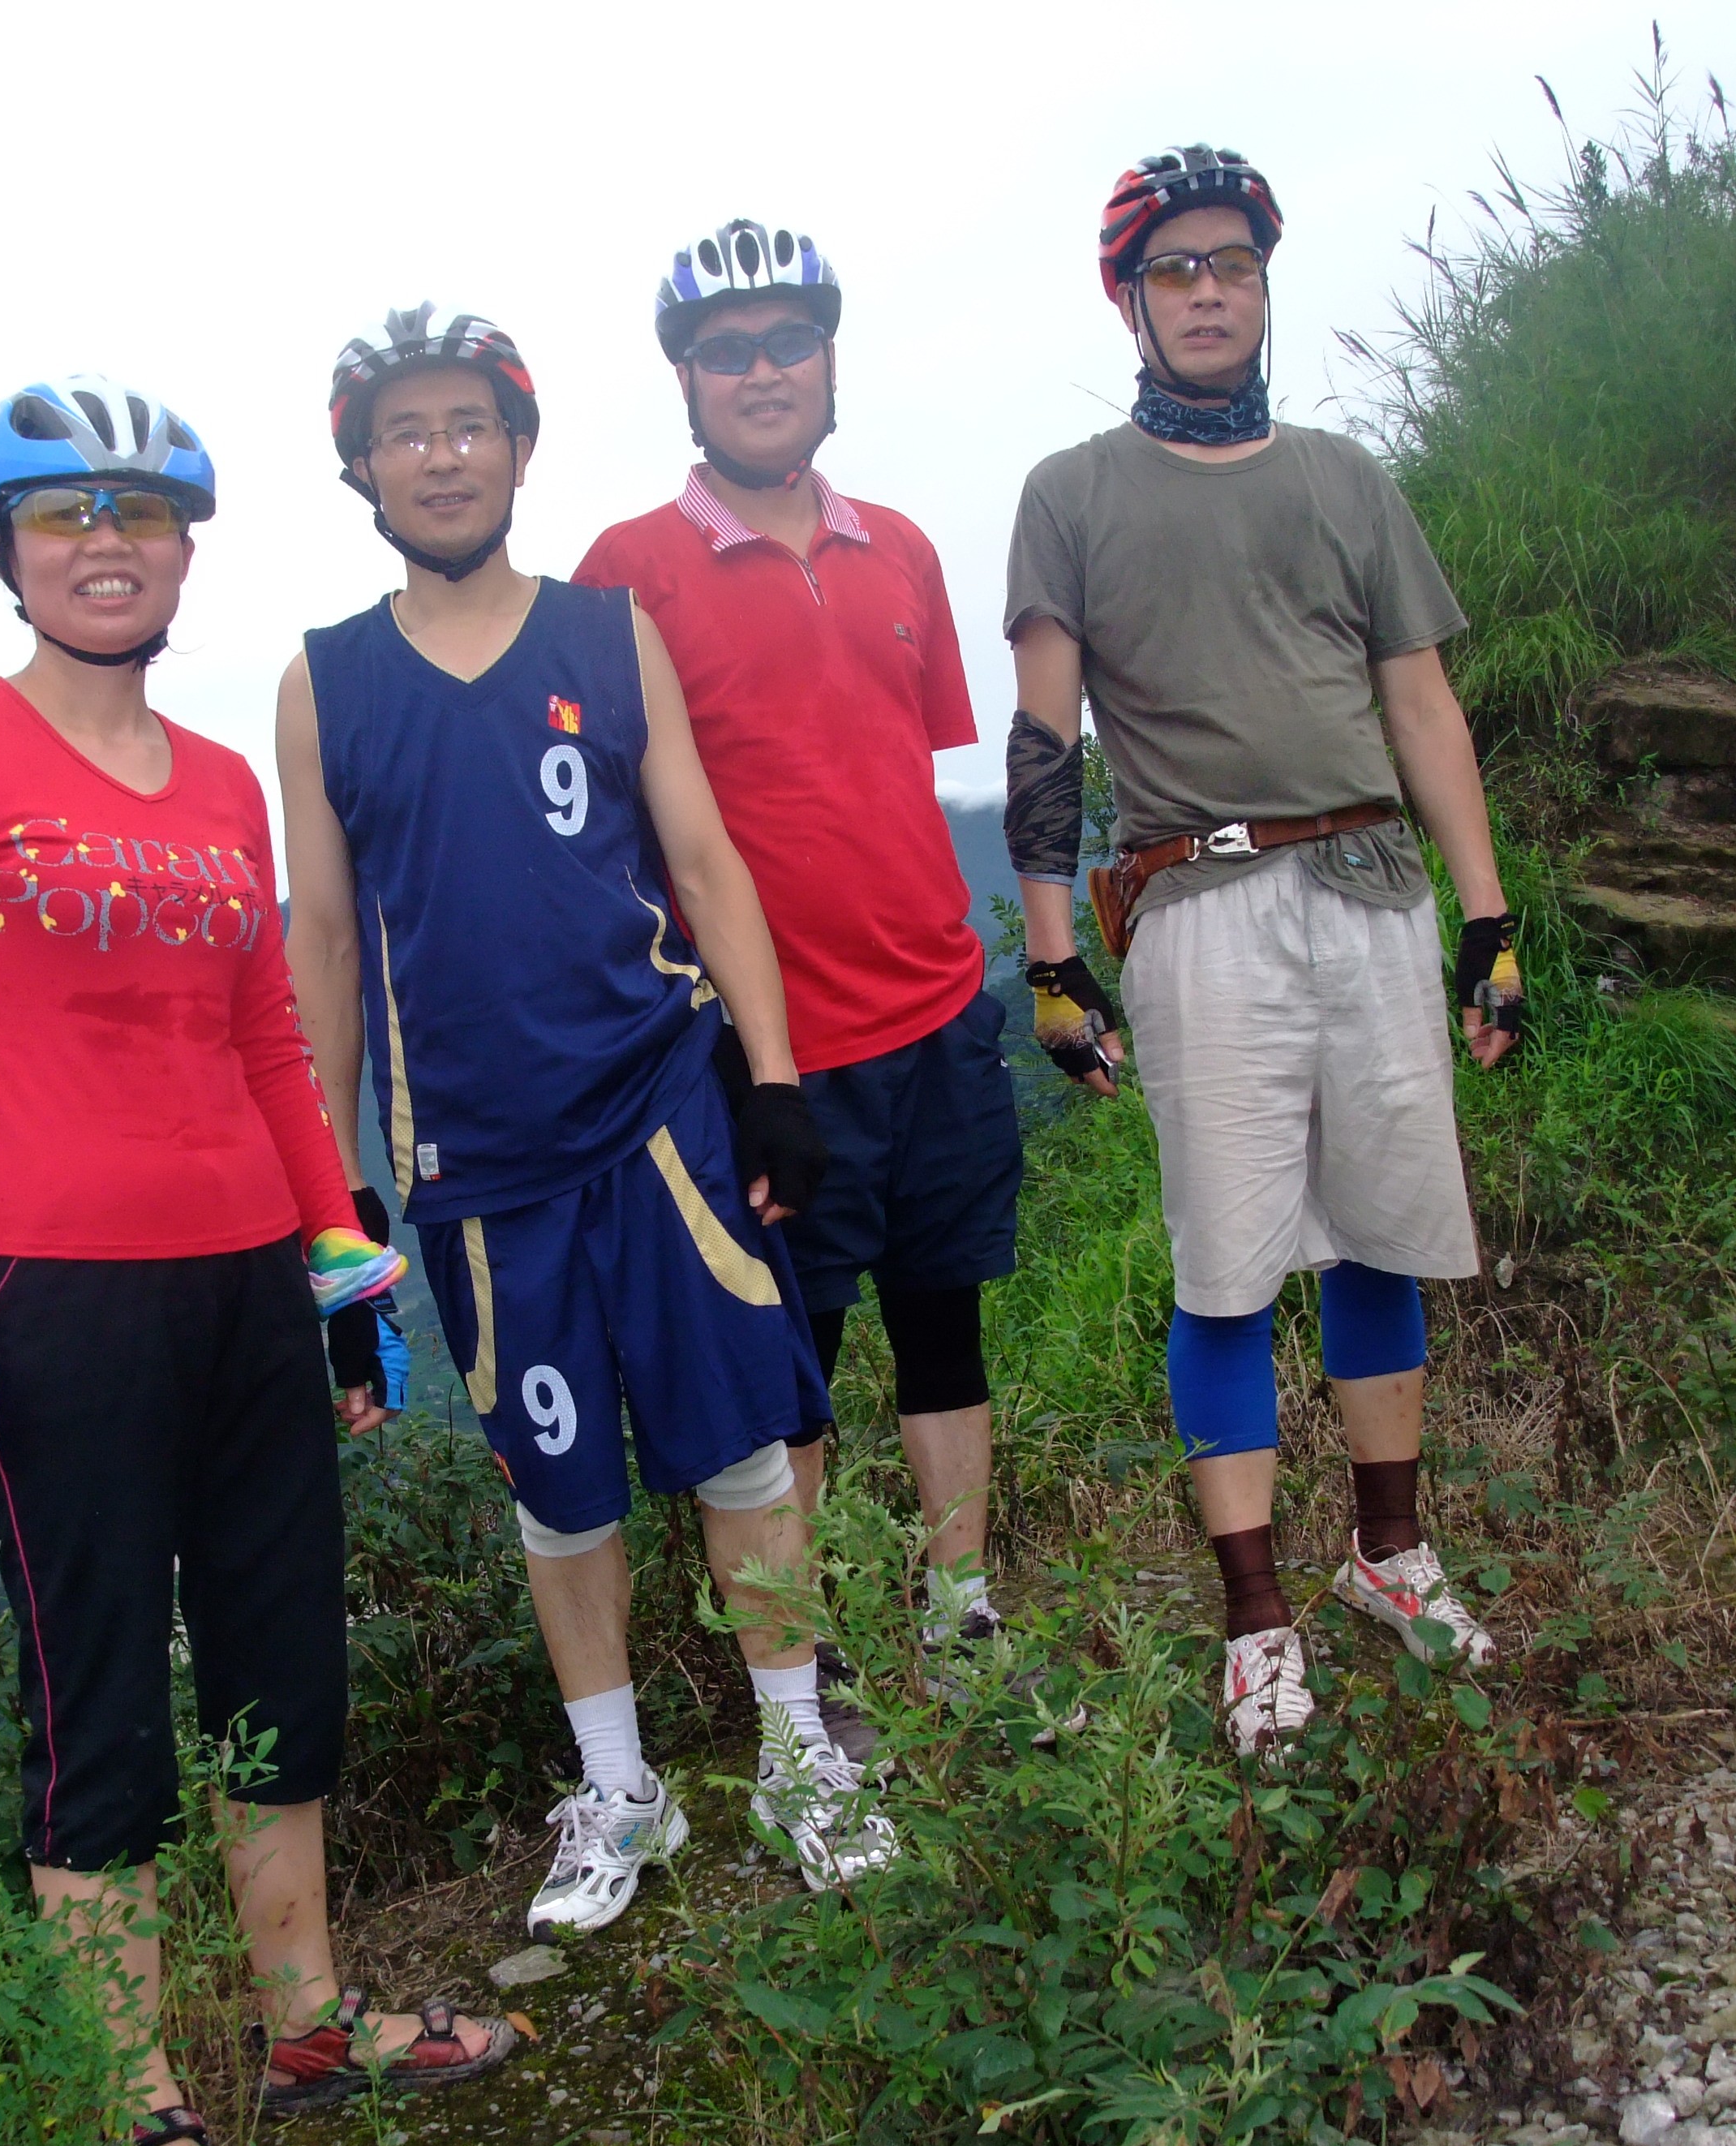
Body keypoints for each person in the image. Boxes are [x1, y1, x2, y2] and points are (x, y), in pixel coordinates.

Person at [0, 376, 512, 2146]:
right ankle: (138, 2112)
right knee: (102, 1713)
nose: (105, 545)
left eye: (138, 515)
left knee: (281, 1660)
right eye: (62, 516)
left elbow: (264, 1042)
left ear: (185, 546)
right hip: (48, 1298)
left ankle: (304, 2024)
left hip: (243, 1279)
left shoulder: (224, 780)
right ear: (5, 548)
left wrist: (336, 1261)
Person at [277, 307, 898, 1942]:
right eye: (403, 430)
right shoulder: (324, 681)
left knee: (746, 1450)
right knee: (559, 1495)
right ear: (361, 465)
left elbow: (701, 863)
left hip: (654, 1120)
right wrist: (329, 1187)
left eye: (467, 422)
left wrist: (770, 1080)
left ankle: (795, 1757)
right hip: (471, 1166)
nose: (440, 453)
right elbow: (326, 942)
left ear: (518, 444)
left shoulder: (608, 632)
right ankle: (619, 1787)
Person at [999, 149, 1527, 1756]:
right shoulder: (1070, 494)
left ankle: (1390, 1556)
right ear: (1129, 300)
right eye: (1176, 272)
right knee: (1224, 1267)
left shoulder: (1344, 480)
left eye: (1231, 264)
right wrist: (1046, 956)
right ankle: (1251, 1621)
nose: (1209, 292)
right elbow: (1041, 741)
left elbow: (1418, 704)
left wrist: (1487, 918)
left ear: (1261, 280)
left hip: (1369, 887)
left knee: (1383, 1235)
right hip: (1196, 903)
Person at [574, 220, 1027, 1718]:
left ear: (830, 360)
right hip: (773, 1048)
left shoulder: (900, 545)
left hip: (940, 1001)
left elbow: (904, 769)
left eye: (787, 342)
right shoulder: (626, 572)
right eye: (727, 352)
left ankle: (962, 1613)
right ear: (687, 383)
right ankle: (807, 1658)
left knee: (944, 1318)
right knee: (799, 1361)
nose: (761, 372)